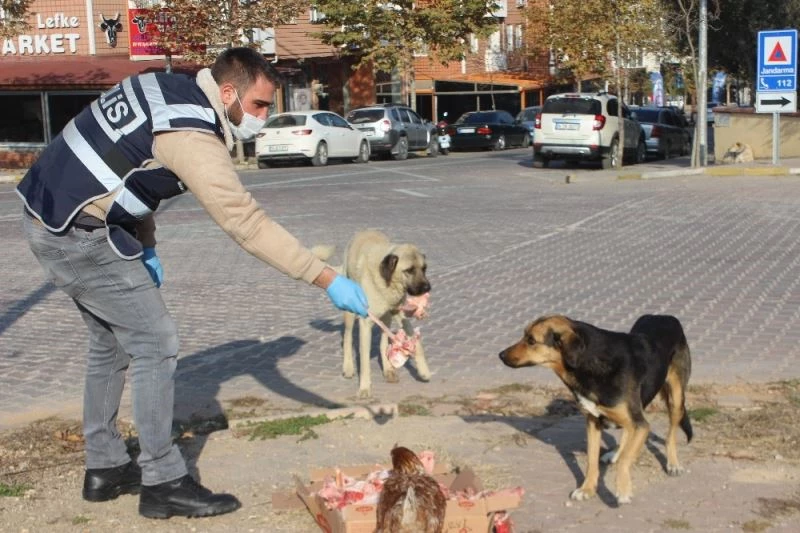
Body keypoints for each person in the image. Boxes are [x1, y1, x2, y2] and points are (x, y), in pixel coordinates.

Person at [16, 47, 368, 519]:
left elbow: (128, 169)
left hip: (51, 215)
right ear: (228, 92)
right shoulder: (192, 133)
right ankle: (163, 481)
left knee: (110, 343)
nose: (263, 117)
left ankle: (106, 468)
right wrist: (327, 278)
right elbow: (244, 222)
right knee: (156, 341)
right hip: (76, 234)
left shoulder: (168, 88)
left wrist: (146, 244)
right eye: (259, 105)